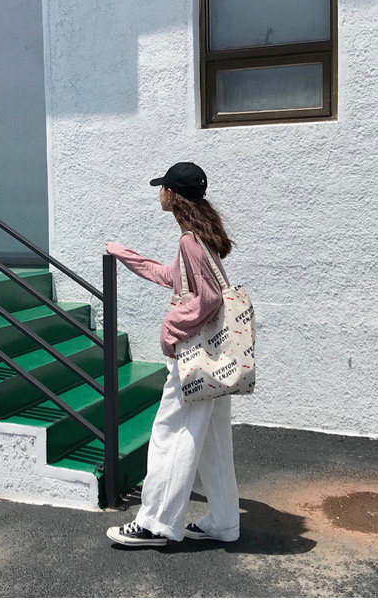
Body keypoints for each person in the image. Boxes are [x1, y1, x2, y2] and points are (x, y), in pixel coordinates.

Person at [105, 162, 241, 548]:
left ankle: (155, 524)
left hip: (194, 357)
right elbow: (176, 278)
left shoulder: (189, 241)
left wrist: (171, 328)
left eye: (162, 187)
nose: (159, 193)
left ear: (173, 195)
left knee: (172, 434)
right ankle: (224, 523)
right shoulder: (200, 237)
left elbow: (208, 298)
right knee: (214, 443)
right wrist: (128, 256)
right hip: (215, 357)